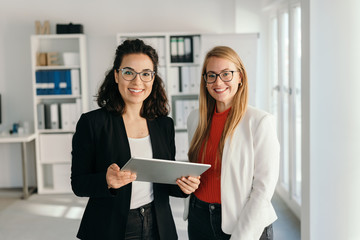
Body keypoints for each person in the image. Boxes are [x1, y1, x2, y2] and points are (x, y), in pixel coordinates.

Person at [71, 39, 200, 240]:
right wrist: (106, 181)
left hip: (158, 225)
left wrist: (184, 187)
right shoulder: (92, 123)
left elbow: (162, 180)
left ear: (153, 78)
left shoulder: (164, 124)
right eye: (129, 72)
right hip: (111, 227)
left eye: (146, 74)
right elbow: (78, 184)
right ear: (116, 75)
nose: (137, 82)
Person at [184, 46, 280, 240]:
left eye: (226, 74)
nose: (218, 82)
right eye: (211, 75)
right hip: (199, 216)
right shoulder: (195, 119)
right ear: (205, 81)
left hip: (243, 221)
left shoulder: (259, 121)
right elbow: (200, 169)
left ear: (240, 77)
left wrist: (242, 236)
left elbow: (263, 188)